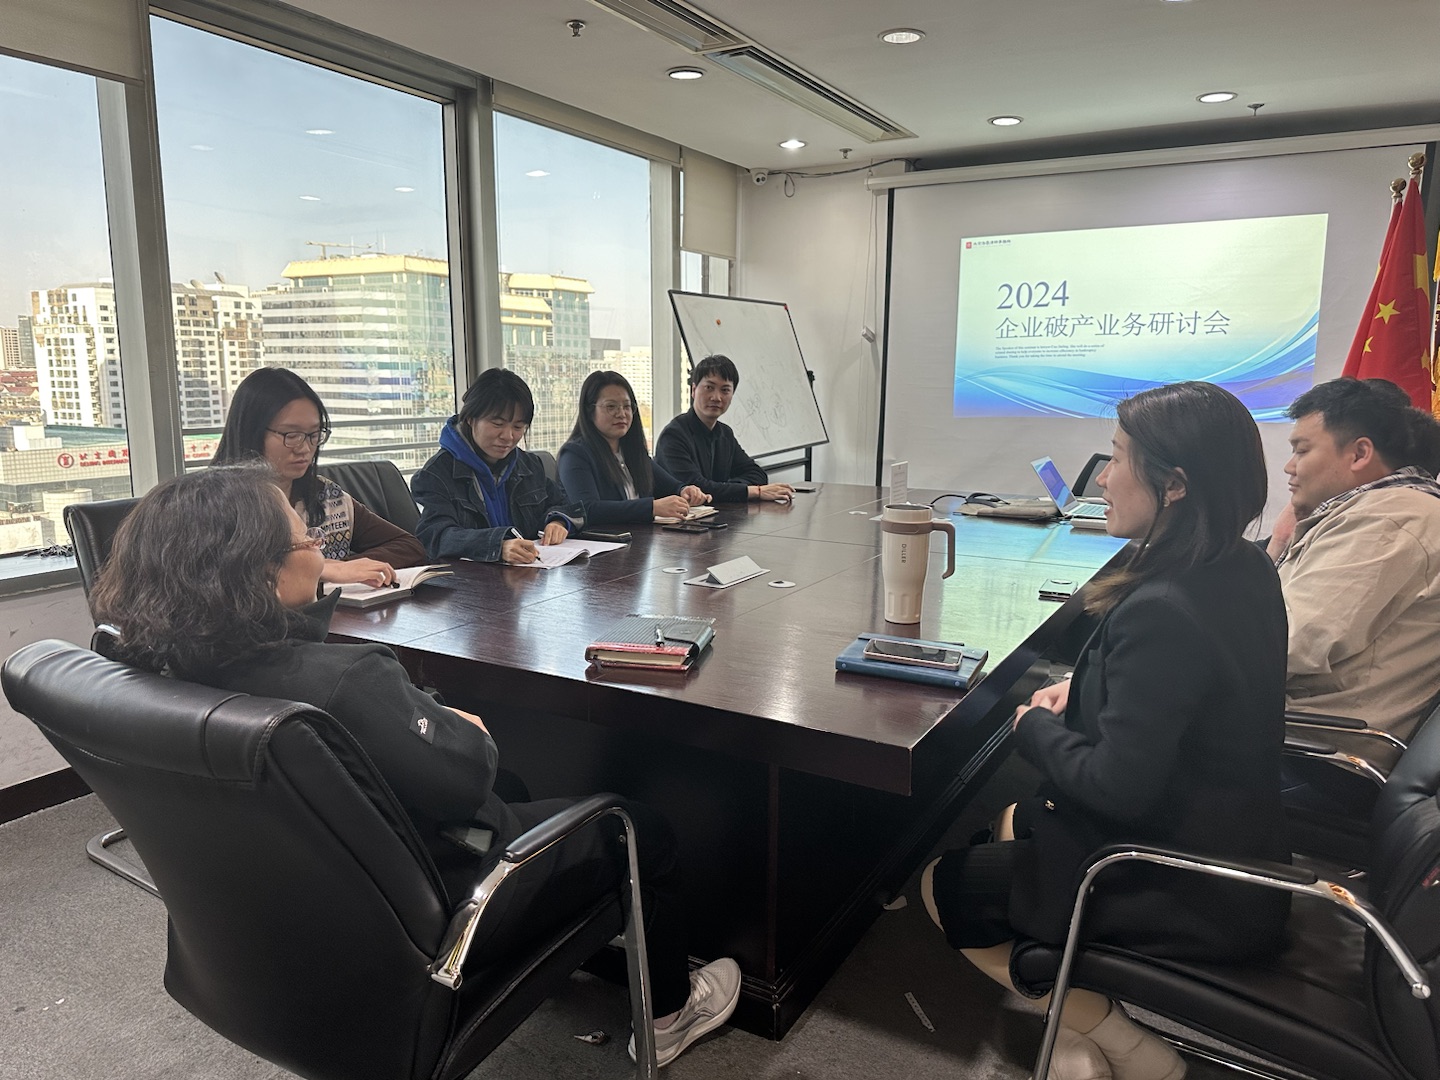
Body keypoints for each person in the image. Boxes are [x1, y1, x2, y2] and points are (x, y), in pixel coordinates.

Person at [88, 465, 742, 1068]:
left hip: (270, 933)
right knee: (639, 826)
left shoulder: (153, 672)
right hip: (434, 920)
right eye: (304, 540)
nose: (317, 549)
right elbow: (465, 777)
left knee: (516, 789)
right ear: (259, 573)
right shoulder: (345, 681)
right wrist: (460, 729)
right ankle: (669, 1013)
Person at [920, 382, 1289, 1080]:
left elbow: (1118, 786)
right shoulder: (1242, 565)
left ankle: (1133, 1049)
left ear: (1174, 485)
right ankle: (1073, 1017)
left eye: (1118, 459)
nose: (1103, 478)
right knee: (1010, 821)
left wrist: (1032, 727)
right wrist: (1087, 692)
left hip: (1180, 880)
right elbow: (1194, 699)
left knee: (945, 886)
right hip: (1238, 846)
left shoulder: (1164, 608)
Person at [1267, 377, 1440, 739]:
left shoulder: (1390, 518)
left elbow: (1290, 642)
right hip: (1297, 731)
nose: (1289, 467)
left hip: (1314, 746)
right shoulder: (1384, 510)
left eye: (1302, 451)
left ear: (1360, 454)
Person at [212, 366, 424, 588]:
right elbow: (216, 578)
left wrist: (344, 568)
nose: (305, 448)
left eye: (314, 435)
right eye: (291, 435)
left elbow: (409, 546)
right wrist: (320, 569)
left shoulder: (325, 496)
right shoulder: (212, 505)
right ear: (250, 432)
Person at [411, 369, 585, 565]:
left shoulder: (528, 465)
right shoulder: (435, 475)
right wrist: (497, 546)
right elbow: (434, 536)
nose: (508, 436)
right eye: (497, 424)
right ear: (470, 418)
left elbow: (564, 504)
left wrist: (558, 521)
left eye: (518, 427)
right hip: (472, 580)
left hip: (530, 574)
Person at [557, 370, 710, 526]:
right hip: (602, 539)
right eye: (611, 406)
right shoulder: (574, 454)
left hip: (640, 537)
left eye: (627, 406)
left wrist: (685, 491)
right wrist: (652, 507)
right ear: (589, 411)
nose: (621, 413)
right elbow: (587, 509)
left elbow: (671, 486)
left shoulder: (631, 450)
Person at [654, 354, 793, 503]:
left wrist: (724, 487)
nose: (716, 397)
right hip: (679, 516)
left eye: (725, 390)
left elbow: (757, 474)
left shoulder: (725, 433)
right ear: (694, 390)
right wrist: (752, 491)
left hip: (720, 513)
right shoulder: (673, 435)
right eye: (709, 388)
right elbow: (696, 489)